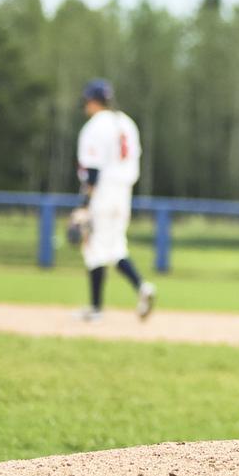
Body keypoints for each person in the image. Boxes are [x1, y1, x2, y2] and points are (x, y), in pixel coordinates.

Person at [73, 79, 157, 323]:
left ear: (92, 101)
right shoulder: (127, 123)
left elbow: (93, 171)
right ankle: (143, 288)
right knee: (116, 247)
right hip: (125, 192)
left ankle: (96, 308)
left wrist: (83, 205)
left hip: (104, 191)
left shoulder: (95, 126)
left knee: (93, 246)